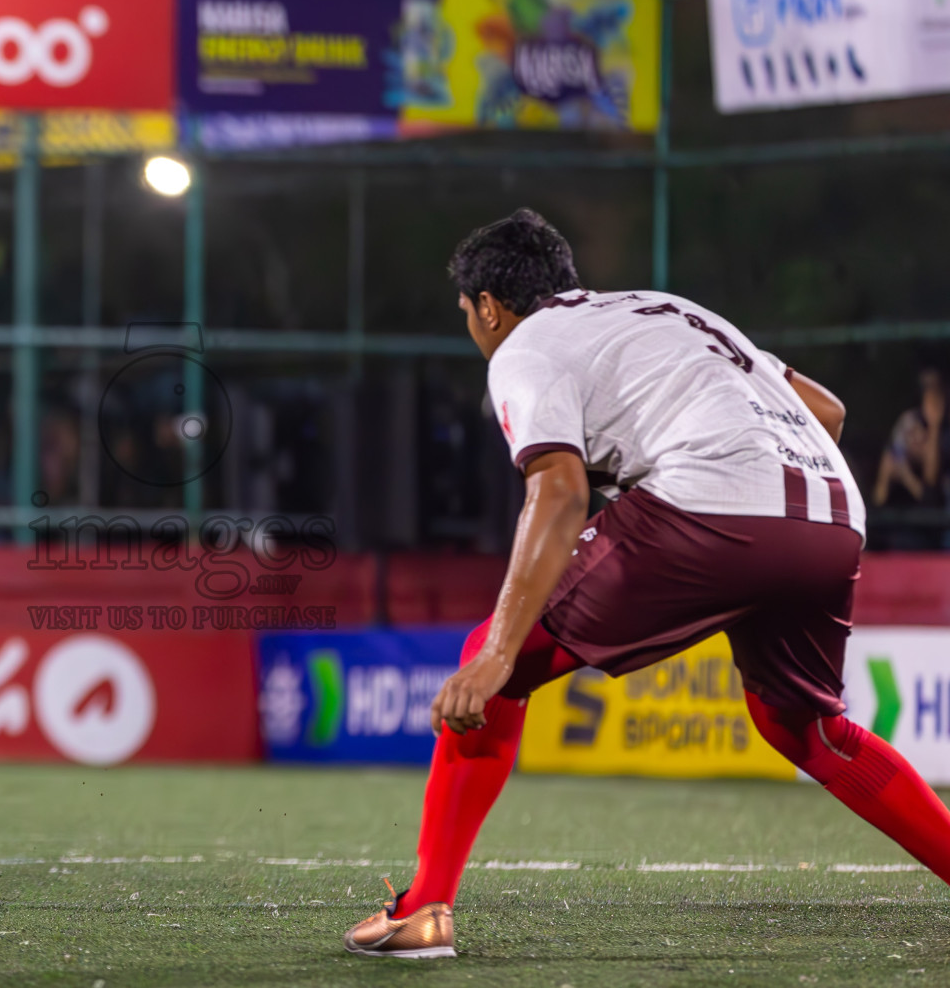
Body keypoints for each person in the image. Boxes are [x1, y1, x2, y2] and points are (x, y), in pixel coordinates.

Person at [343, 209, 950, 959]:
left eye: (468, 312)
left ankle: (424, 908)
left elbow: (558, 490)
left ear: (490, 308)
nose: (473, 325)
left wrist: (500, 651)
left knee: (490, 665)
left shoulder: (524, 349)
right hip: (832, 515)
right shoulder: (669, 312)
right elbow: (826, 411)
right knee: (807, 728)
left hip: (714, 509)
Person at [873, 368, 945, 508]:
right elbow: (879, 497)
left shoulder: (942, 429)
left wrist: (934, 426)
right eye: (926, 390)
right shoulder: (908, 421)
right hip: (895, 514)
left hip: (931, 517)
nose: (930, 397)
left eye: (935, 391)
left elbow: (930, 486)